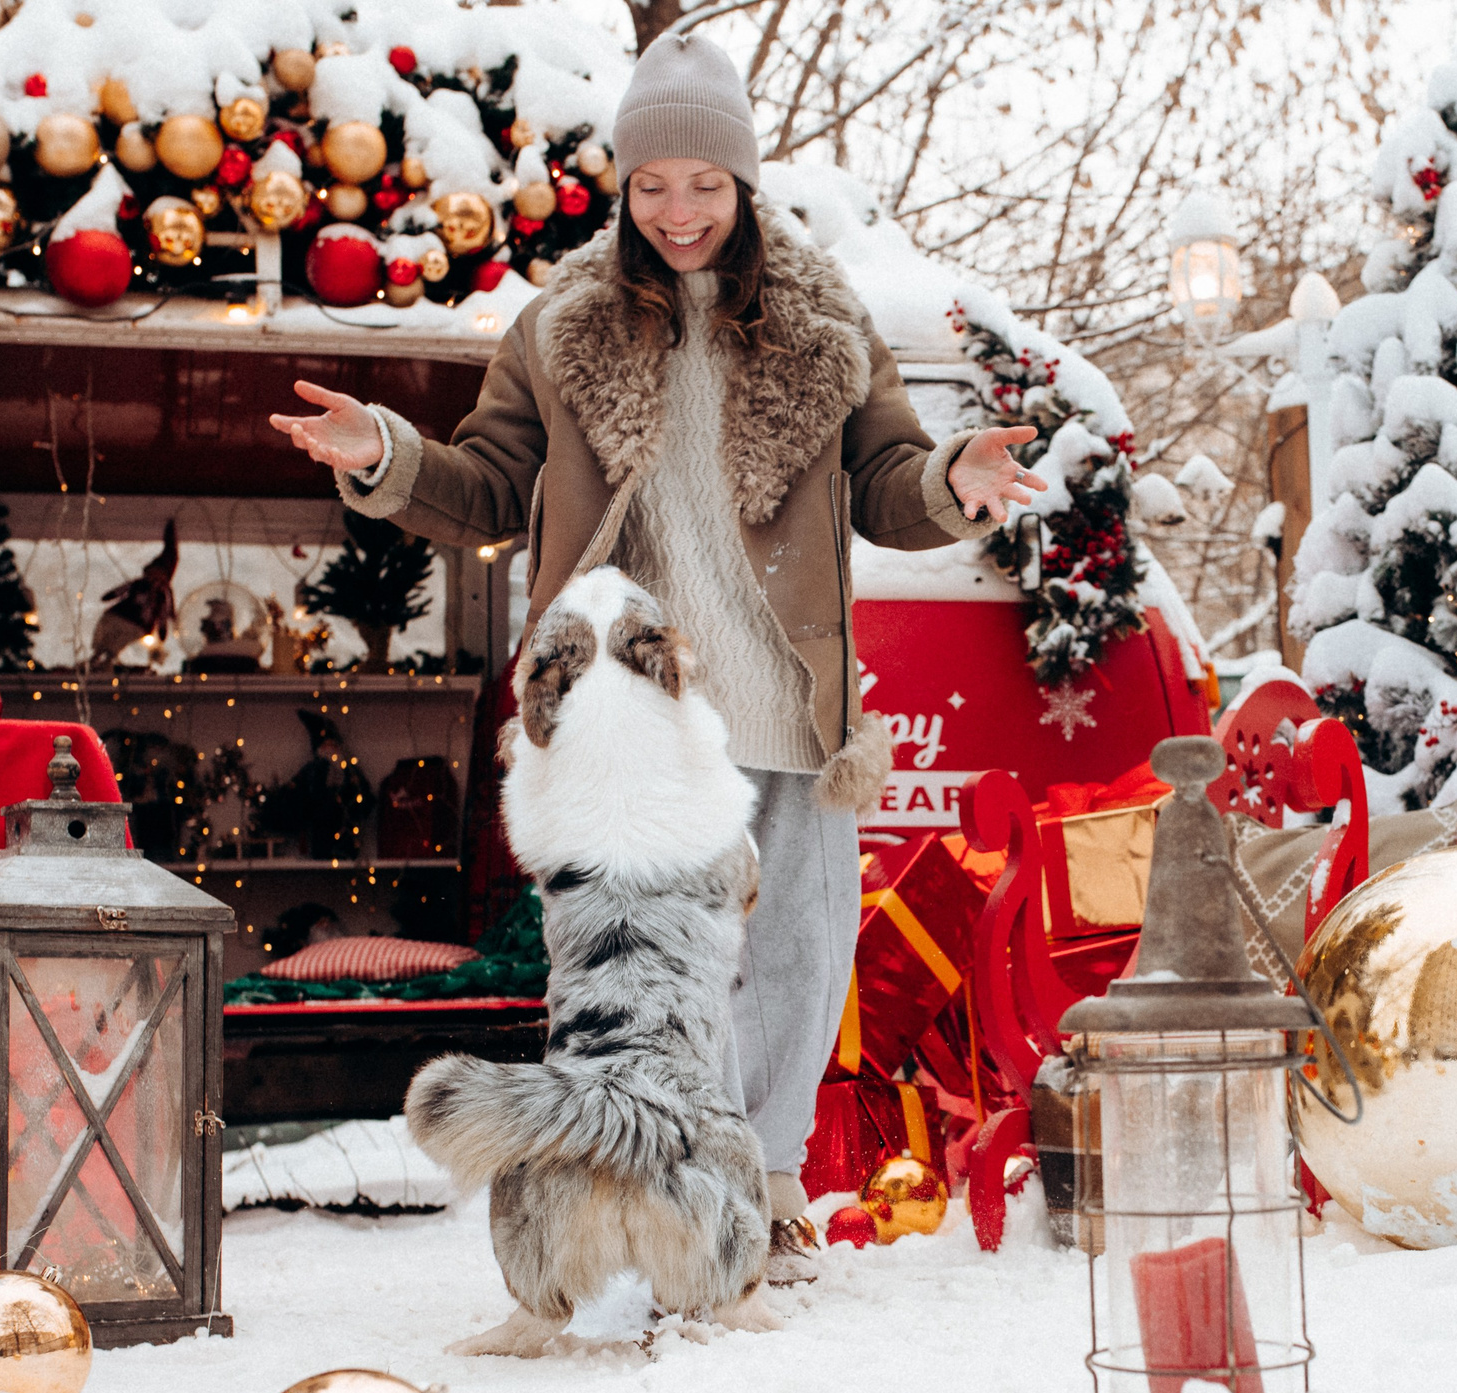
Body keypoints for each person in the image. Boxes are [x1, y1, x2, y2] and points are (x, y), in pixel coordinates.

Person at [270, 31, 1045, 1282]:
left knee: (791, 941)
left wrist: (953, 476)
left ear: (742, 187)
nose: (678, 210)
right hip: (631, 699)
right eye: (652, 184)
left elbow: (891, 487)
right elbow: (485, 489)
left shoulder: (822, 322)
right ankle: (648, 1174)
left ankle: (768, 1182)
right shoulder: (560, 326)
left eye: (703, 183)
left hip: (777, 685)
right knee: (636, 970)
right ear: (622, 190)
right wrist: (384, 456)